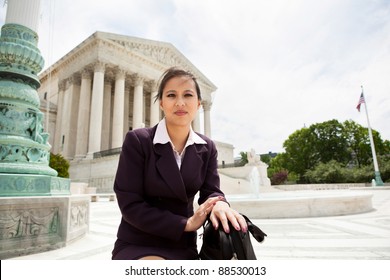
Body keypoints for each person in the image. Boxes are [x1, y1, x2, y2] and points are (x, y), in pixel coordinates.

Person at [112, 67, 247, 260]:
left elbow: (211, 192)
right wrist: (186, 223)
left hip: (182, 245)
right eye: (171, 95)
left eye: (188, 95)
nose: (180, 102)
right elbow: (130, 204)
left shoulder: (207, 147)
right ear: (161, 103)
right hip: (140, 240)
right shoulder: (138, 141)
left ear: (199, 103)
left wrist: (220, 205)